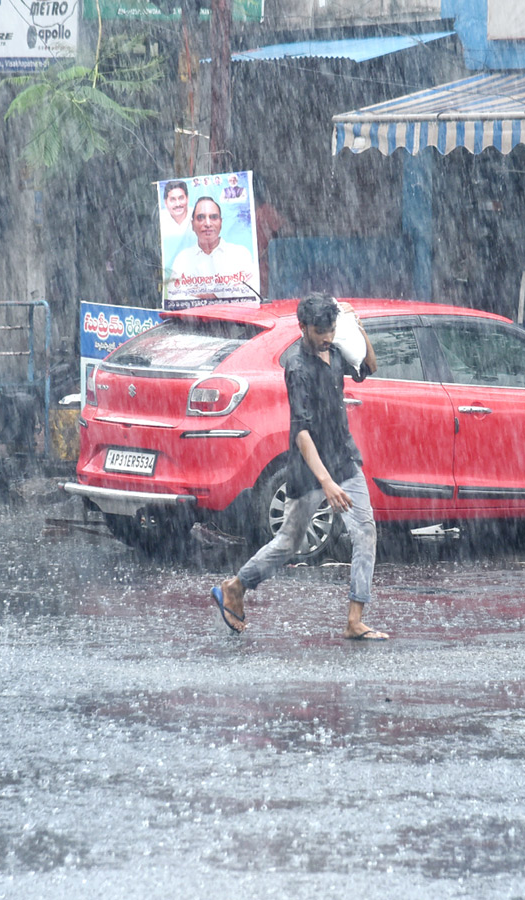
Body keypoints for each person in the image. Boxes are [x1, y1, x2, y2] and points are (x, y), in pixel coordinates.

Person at [211, 293, 387, 641]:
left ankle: (355, 619)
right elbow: (302, 433)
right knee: (289, 543)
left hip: (343, 457)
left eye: (331, 329)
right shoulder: (297, 368)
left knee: (365, 531)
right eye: (321, 331)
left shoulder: (336, 352)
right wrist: (326, 482)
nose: (327, 337)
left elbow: (369, 367)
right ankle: (235, 586)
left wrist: (358, 327)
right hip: (309, 468)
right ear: (303, 327)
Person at [167, 197, 257, 301]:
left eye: (213, 217)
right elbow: (173, 298)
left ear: (221, 222)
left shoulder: (240, 254)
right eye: (201, 217)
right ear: (192, 225)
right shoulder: (182, 259)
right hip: (192, 317)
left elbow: (250, 295)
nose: (208, 224)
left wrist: (211, 296)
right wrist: (223, 294)